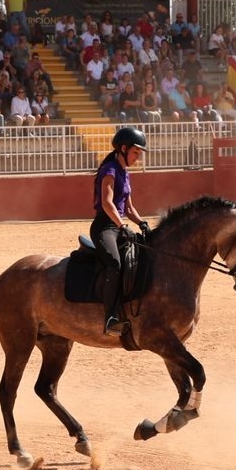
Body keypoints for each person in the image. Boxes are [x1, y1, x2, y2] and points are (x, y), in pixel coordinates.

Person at [92, 127, 150, 336]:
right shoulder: (109, 169)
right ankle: (110, 317)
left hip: (118, 227)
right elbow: (108, 204)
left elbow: (128, 208)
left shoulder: (124, 173)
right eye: (135, 152)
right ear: (123, 148)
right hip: (104, 227)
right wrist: (123, 226)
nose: (138, 157)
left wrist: (142, 223)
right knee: (115, 264)